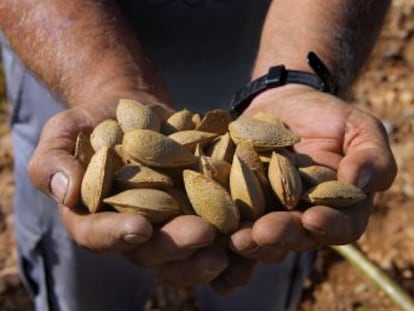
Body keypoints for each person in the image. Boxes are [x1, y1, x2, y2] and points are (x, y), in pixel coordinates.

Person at [0, 0, 397, 310]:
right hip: (72, 63)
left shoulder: (280, 153)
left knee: (264, 248)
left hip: (273, 43)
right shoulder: (104, 144)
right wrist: (104, 83)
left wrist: (296, 76)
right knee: (88, 276)